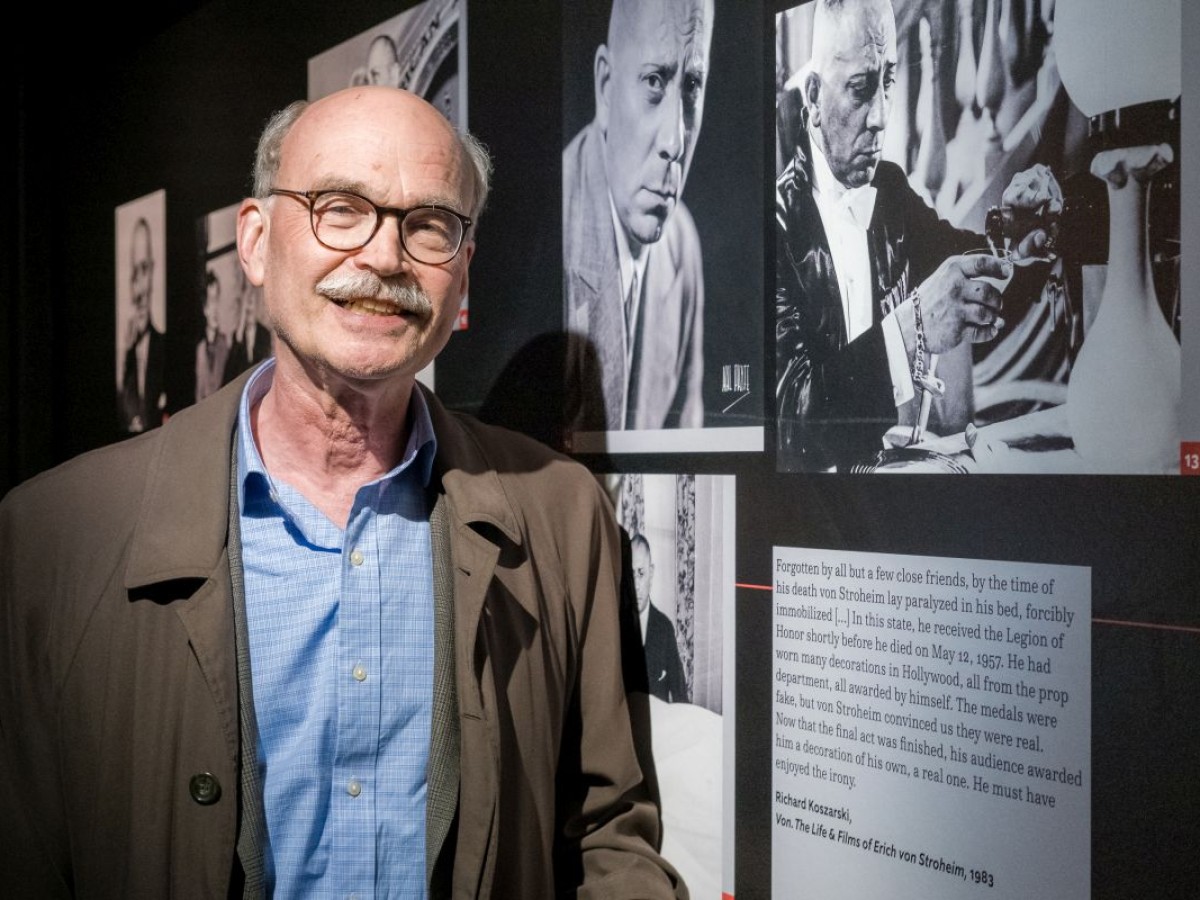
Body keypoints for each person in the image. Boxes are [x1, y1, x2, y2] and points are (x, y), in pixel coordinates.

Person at [0, 86, 686, 899]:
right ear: (255, 241)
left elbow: (611, 835)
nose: (385, 257)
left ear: (462, 270)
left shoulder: (565, 520)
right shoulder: (55, 535)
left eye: (428, 224)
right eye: (340, 208)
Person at [775, 0, 1062, 471]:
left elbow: (972, 268)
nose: (882, 117)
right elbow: (792, 430)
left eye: (887, 82)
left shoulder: (888, 190)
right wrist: (912, 328)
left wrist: (1015, 230)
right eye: (862, 89)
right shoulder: (780, 227)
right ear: (812, 97)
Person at [563, 0, 712, 432]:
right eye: (653, 81)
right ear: (606, 88)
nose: (675, 140)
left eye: (691, 88)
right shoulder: (554, 234)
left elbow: (689, 436)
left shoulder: (682, 242)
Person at [119, 215, 167, 433]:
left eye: (144, 269)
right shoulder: (126, 356)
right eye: (134, 272)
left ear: (153, 271)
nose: (138, 284)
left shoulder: (164, 346)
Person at [631, 533, 687, 703]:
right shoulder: (611, 629)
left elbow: (681, 698)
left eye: (641, 574)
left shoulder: (664, 628)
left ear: (651, 573)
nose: (635, 585)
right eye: (629, 574)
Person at [222, 264, 272, 384]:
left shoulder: (264, 334)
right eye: (246, 306)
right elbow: (230, 371)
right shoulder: (238, 336)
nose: (249, 308)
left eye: (252, 302)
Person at [195, 267, 231, 402]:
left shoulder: (225, 344)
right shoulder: (200, 349)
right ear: (205, 309)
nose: (215, 308)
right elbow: (198, 395)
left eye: (217, 300)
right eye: (211, 301)